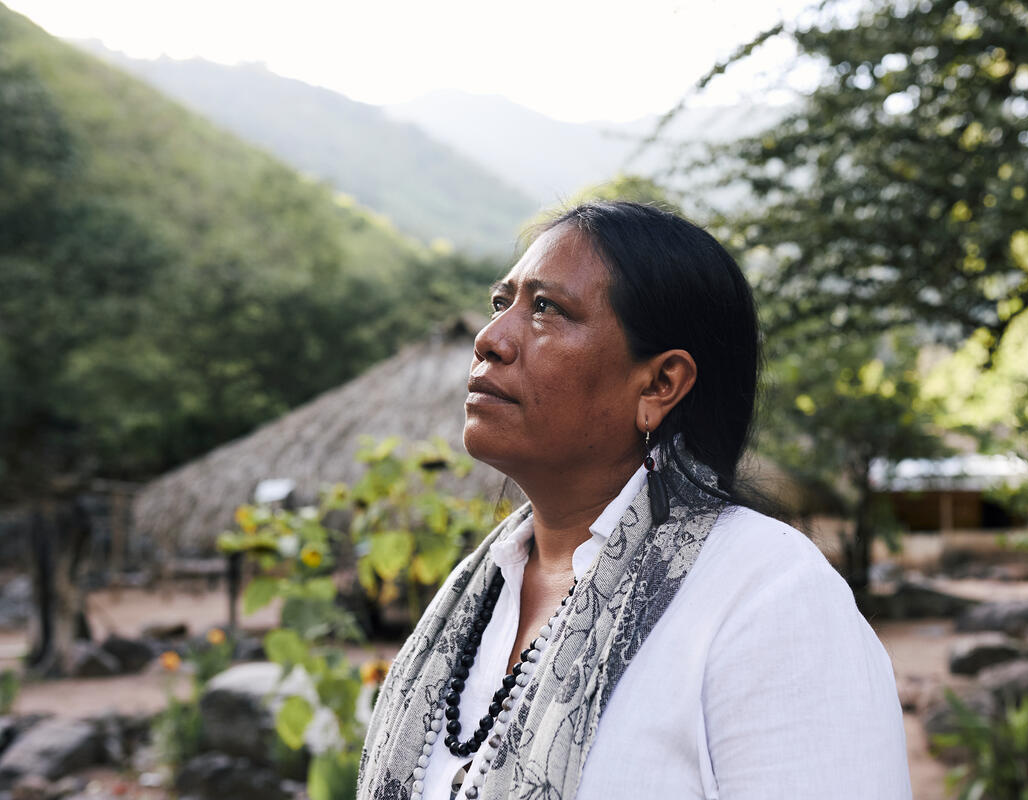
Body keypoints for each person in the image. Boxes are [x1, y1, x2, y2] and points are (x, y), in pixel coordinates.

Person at [358, 202, 911, 800]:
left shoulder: (765, 592)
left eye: (545, 309)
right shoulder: (481, 593)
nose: (490, 339)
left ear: (659, 384)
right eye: (502, 303)